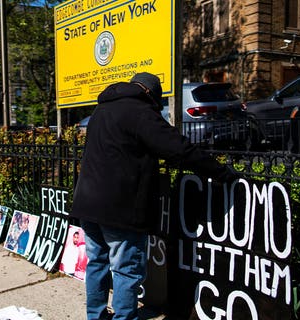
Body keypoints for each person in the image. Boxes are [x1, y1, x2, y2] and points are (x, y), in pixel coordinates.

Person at [70, 72, 235, 319]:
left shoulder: (101, 111)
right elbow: (178, 149)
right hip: (120, 209)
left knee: (97, 263)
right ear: (150, 93)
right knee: (126, 270)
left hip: (87, 204)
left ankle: (96, 316)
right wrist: (221, 172)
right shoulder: (139, 112)